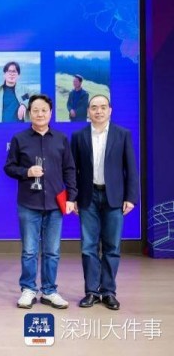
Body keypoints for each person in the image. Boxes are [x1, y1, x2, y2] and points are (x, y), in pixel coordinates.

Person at [4, 94, 77, 309]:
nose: (39, 114)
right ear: (29, 113)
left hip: (55, 203)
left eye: (44, 110)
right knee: (29, 250)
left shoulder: (61, 139)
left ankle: (49, 291)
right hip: (29, 203)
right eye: (35, 110)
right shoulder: (19, 139)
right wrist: (27, 172)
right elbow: (9, 167)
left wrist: (72, 197)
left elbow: (69, 169)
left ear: (50, 113)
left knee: (52, 251)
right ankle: (28, 289)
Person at [71, 95, 139, 310]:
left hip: (114, 197)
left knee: (112, 246)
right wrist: (72, 197)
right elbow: (73, 170)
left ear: (110, 110)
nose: (98, 111)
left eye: (102, 107)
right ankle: (91, 291)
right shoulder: (79, 136)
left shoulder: (122, 134)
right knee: (88, 247)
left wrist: (131, 197)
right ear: (88, 111)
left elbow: (131, 168)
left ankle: (108, 291)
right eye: (94, 107)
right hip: (87, 197)